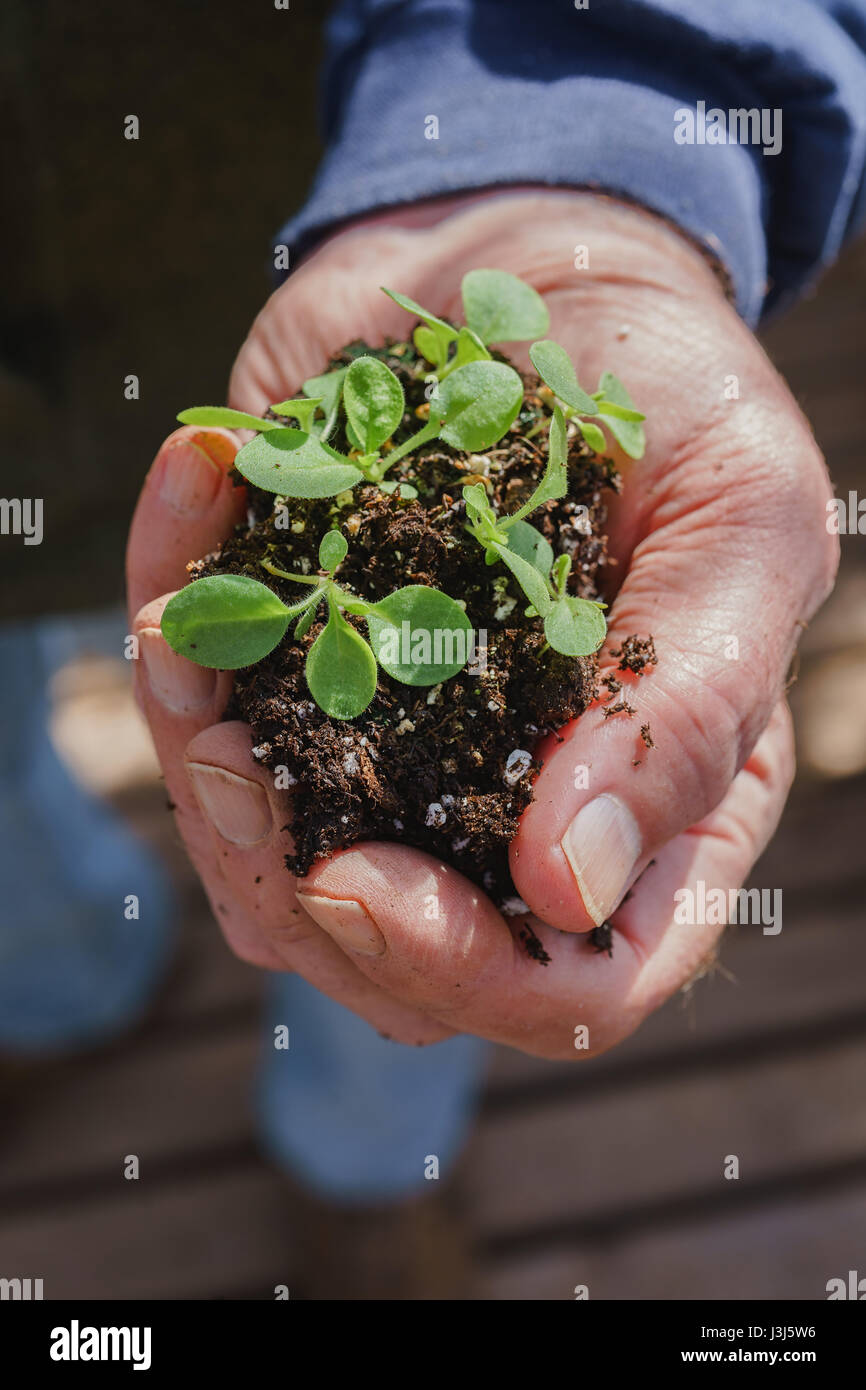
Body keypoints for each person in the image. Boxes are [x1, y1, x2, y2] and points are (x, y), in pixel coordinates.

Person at [14, 1, 866, 1237]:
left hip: (318, 192)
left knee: (396, 905)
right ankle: (58, 986)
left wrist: (591, 126)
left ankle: (367, 1165)